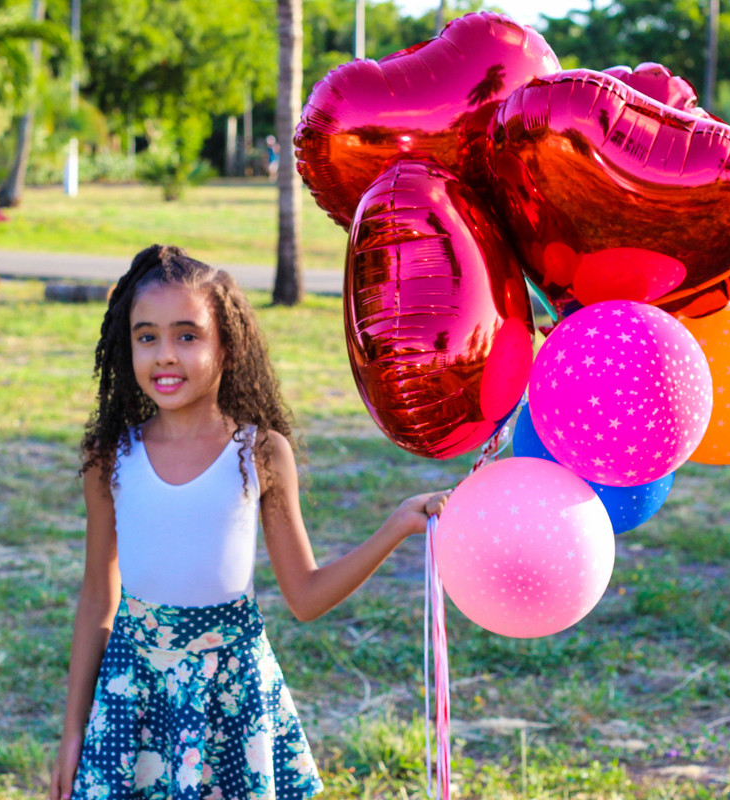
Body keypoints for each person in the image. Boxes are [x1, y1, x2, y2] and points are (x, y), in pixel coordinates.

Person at [49, 244, 451, 800]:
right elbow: (99, 594)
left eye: (187, 336)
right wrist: (73, 731)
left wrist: (396, 525)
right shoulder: (111, 458)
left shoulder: (258, 454)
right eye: (147, 337)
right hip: (132, 696)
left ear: (227, 347)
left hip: (233, 697)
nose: (165, 355)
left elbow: (305, 596)